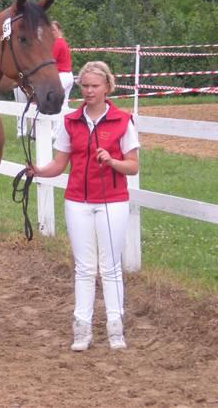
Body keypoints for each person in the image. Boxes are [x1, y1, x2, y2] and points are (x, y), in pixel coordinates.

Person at [26, 61, 139, 351]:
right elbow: (59, 164)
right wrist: (37, 171)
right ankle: (82, 328)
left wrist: (113, 162)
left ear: (107, 88)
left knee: (110, 267)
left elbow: (133, 167)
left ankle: (116, 328)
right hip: (77, 199)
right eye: (85, 86)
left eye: (94, 86)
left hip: (112, 201)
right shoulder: (70, 122)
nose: (88, 91)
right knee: (84, 267)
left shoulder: (123, 121)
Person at [15, 20, 74, 137]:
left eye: (53, 30)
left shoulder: (57, 43)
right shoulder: (62, 42)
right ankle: (58, 132)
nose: (51, 32)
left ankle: (41, 132)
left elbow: (47, 61)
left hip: (61, 75)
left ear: (59, 31)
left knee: (42, 102)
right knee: (63, 106)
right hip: (67, 75)